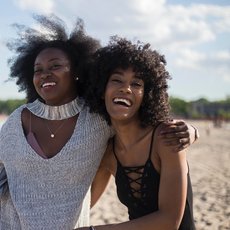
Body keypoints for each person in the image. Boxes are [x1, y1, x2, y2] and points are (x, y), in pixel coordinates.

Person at [0, 15, 197, 229]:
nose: (45, 74)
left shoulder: (111, 123)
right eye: (38, 70)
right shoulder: (16, 123)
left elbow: (169, 221)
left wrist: (192, 130)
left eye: (55, 66)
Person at [78, 37, 196, 229]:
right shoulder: (108, 152)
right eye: (117, 80)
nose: (126, 88)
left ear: (147, 96)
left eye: (137, 84)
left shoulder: (166, 138)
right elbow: (83, 205)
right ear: (101, 90)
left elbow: (170, 220)